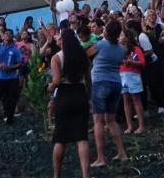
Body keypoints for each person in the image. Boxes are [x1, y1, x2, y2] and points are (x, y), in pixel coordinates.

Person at [48, 28, 91, 178]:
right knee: (82, 137)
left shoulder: (56, 58)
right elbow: (88, 79)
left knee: (60, 138)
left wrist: (50, 86)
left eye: (59, 38)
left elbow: (57, 81)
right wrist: (89, 97)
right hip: (80, 94)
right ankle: (86, 174)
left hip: (64, 96)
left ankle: (56, 175)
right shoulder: (83, 54)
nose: (58, 41)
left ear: (63, 41)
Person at [85, 21, 128, 168]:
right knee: (111, 120)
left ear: (107, 31)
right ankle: (122, 153)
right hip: (116, 83)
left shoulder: (100, 44)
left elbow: (86, 53)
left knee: (98, 121)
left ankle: (101, 158)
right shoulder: (122, 49)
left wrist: (98, 38)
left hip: (100, 82)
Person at [0, 29, 24, 126]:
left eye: (10, 34)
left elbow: (20, 63)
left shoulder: (15, 49)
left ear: (12, 36)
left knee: (11, 100)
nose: (8, 35)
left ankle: (10, 120)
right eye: (6, 33)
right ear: (3, 36)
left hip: (12, 78)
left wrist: (10, 67)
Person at [118, 28, 146, 135]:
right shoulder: (118, 50)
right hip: (121, 75)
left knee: (136, 99)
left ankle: (141, 125)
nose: (119, 37)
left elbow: (142, 63)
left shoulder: (135, 48)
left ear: (127, 37)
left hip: (133, 75)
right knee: (126, 100)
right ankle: (129, 126)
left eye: (121, 35)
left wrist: (132, 63)